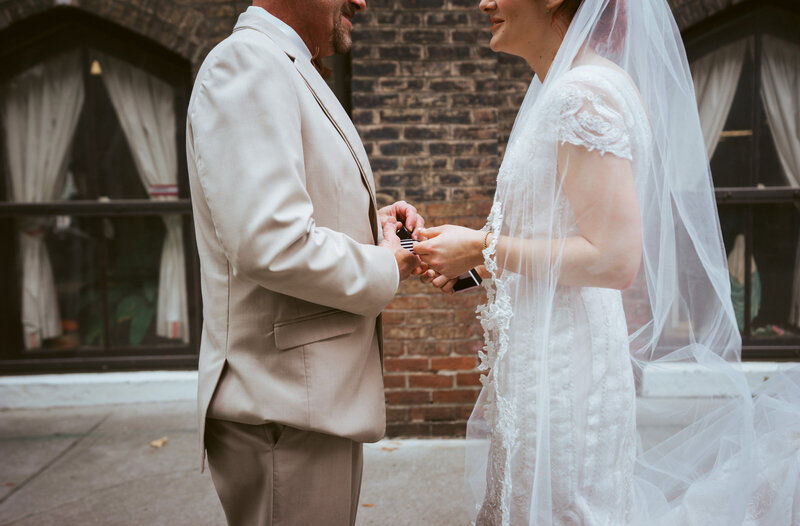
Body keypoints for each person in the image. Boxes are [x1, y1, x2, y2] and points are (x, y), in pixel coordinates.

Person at [414, 0, 799, 524]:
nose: (484, 2)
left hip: (566, 367)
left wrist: (480, 245)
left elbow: (615, 259)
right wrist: (472, 266)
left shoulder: (584, 96)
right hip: (540, 353)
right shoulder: (564, 87)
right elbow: (557, 236)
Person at [185, 1, 425, 524]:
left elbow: (284, 215)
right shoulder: (246, 64)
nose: (360, 1)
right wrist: (385, 265)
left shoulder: (285, 64)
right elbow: (271, 242)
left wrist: (373, 225)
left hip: (308, 407)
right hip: (283, 412)